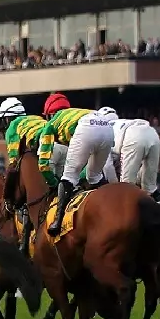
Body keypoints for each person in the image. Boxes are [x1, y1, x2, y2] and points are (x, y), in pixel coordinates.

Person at [38, 94, 116, 237]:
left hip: (87, 128)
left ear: (50, 115)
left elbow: (43, 164)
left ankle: (57, 221)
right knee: (94, 177)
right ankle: (114, 205)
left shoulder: (50, 124)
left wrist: (54, 182)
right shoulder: (75, 113)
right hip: (107, 127)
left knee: (68, 177)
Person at [106, 116, 160, 201]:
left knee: (127, 188)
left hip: (132, 136)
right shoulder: (118, 123)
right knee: (149, 187)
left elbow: (107, 167)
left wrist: (116, 186)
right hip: (152, 132)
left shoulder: (100, 134)